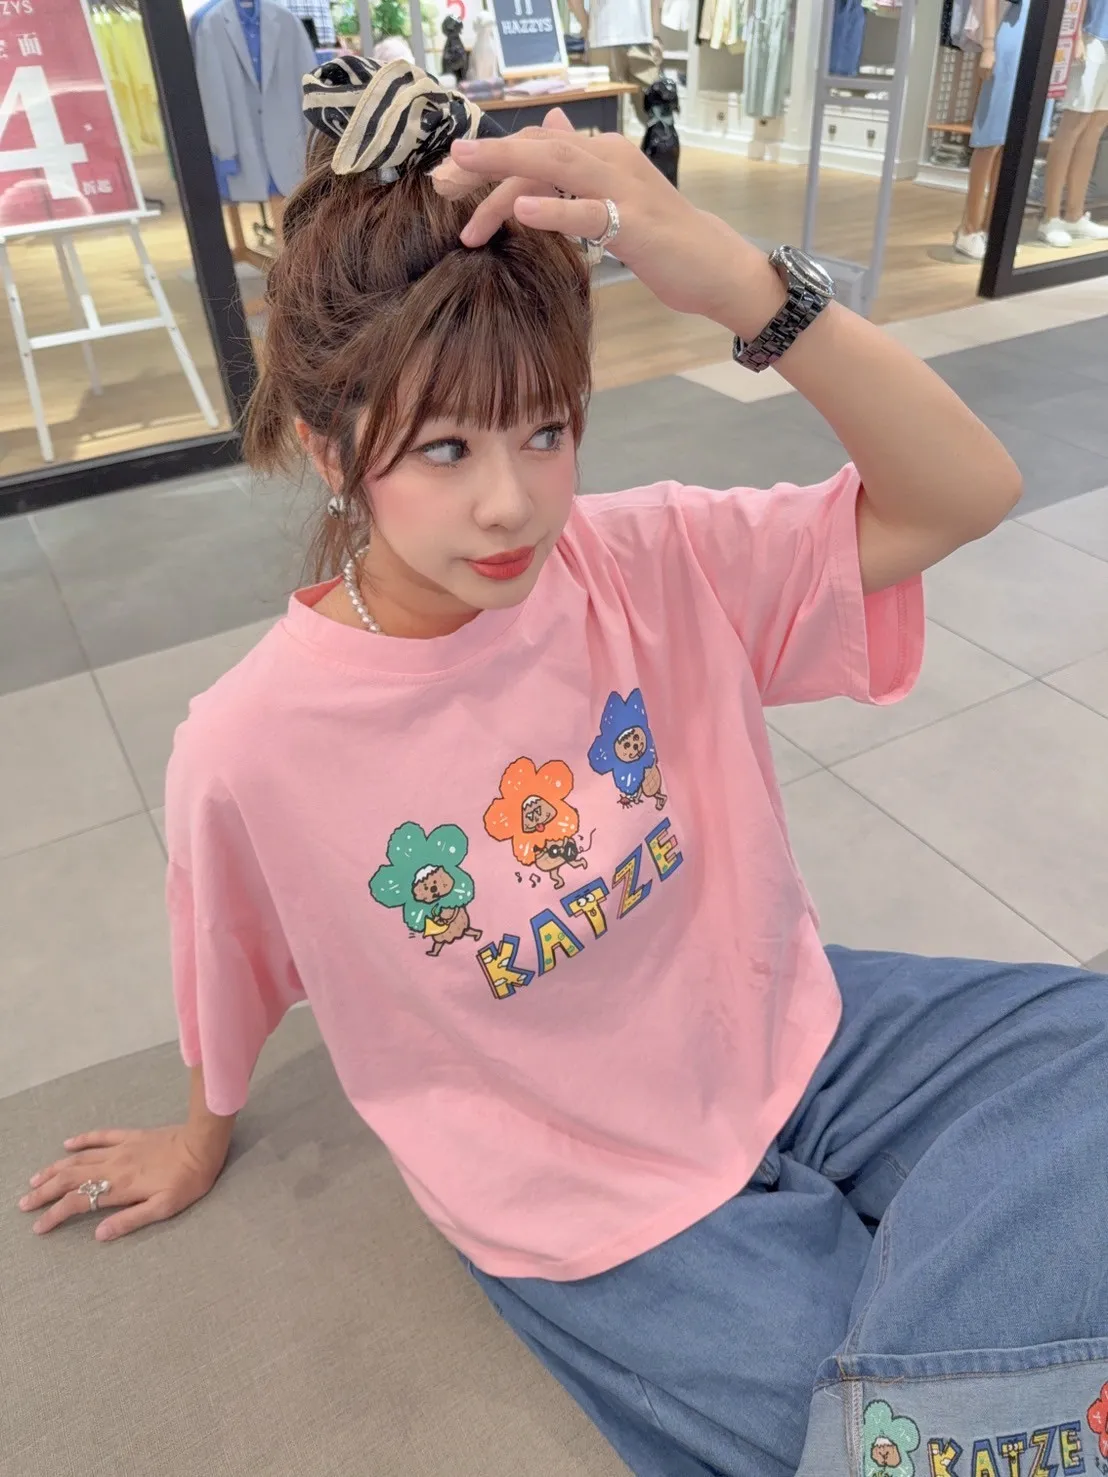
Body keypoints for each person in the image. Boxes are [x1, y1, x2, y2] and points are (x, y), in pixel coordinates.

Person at [19, 55, 1108, 1477]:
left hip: (786, 1029)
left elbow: (969, 491)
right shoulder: (251, 744)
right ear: (331, 452)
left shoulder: (649, 557)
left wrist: (746, 287)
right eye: (445, 447)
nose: (511, 502)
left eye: (546, 429)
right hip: (579, 1185)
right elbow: (228, 962)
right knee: (888, 1431)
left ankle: (954, 1406)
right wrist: (197, 1133)